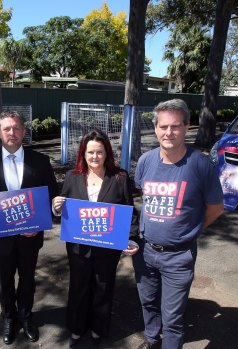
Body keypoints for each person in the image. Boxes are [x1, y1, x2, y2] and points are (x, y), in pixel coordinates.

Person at [132, 99, 224, 349]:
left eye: (175, 126)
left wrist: (191, 229)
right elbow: (145, 197)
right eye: (163, 127)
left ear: (186, 127)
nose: (168, 132)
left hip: (179, 256)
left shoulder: (201, 165)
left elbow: (216, 207)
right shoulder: (145, 162)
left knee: (172, 317)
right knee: (148, 303)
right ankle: (151, 340)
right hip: (145, 251)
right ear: (156, 128)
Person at [0, 111, 58, 345]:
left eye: (17, 128)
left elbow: (52, 195)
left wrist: (40, 224)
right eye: (7, 128)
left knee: (27, 279)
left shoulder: (40, 161)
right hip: (1, 237)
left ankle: (26, 317)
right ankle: (9, 317)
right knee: (4, 281)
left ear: (23, 132)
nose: (12, 132)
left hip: (30, 235)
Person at [52, 129, 139, 347]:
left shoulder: (119, 178)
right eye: (90, 152)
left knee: (103, 287)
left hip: (107, 247)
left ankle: (99, 328)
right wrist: (56, 208)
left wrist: (132, 238)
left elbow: (130, 211)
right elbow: (64, 208)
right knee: (78, 287)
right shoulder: (73, 177)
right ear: (83, 154)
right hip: (78, 247)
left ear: (107, 153)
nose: (94, 157)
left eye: (99, 152)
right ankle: (77, 327)